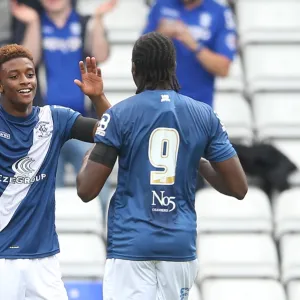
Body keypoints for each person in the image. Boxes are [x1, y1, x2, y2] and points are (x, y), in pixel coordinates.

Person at [77, 32, 248, 300]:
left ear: (134, 70)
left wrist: (89, 156)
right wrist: (197, 160)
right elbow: (238, 187)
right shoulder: (204, 114)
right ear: (173, 67)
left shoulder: (121, 114)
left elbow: (87, 190)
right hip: (179, 247)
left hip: (131, 246)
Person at [0, 44, 110, 300]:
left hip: (44, 260)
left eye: (29, 73)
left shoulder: (55, 119)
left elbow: (112, 130)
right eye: (13, 76)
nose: (25, 81)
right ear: (1, 85)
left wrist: (97, 97)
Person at [11, 0, 116, 202]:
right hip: (46, 128)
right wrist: (33, 23)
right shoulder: (36, 23)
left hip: (84, 124)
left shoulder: (85, 22)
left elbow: (101, 54)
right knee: (45, 195)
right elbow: (25, 63)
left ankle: (103, 231)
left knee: (97, 190)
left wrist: (99, 19)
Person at [143, 0, 237, 107]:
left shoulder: (219, 12)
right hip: (156, 105)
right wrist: (160, 35)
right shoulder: (161, 5)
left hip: (196, 109)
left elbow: (223, 68)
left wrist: (193, 45)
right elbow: (140, 58)